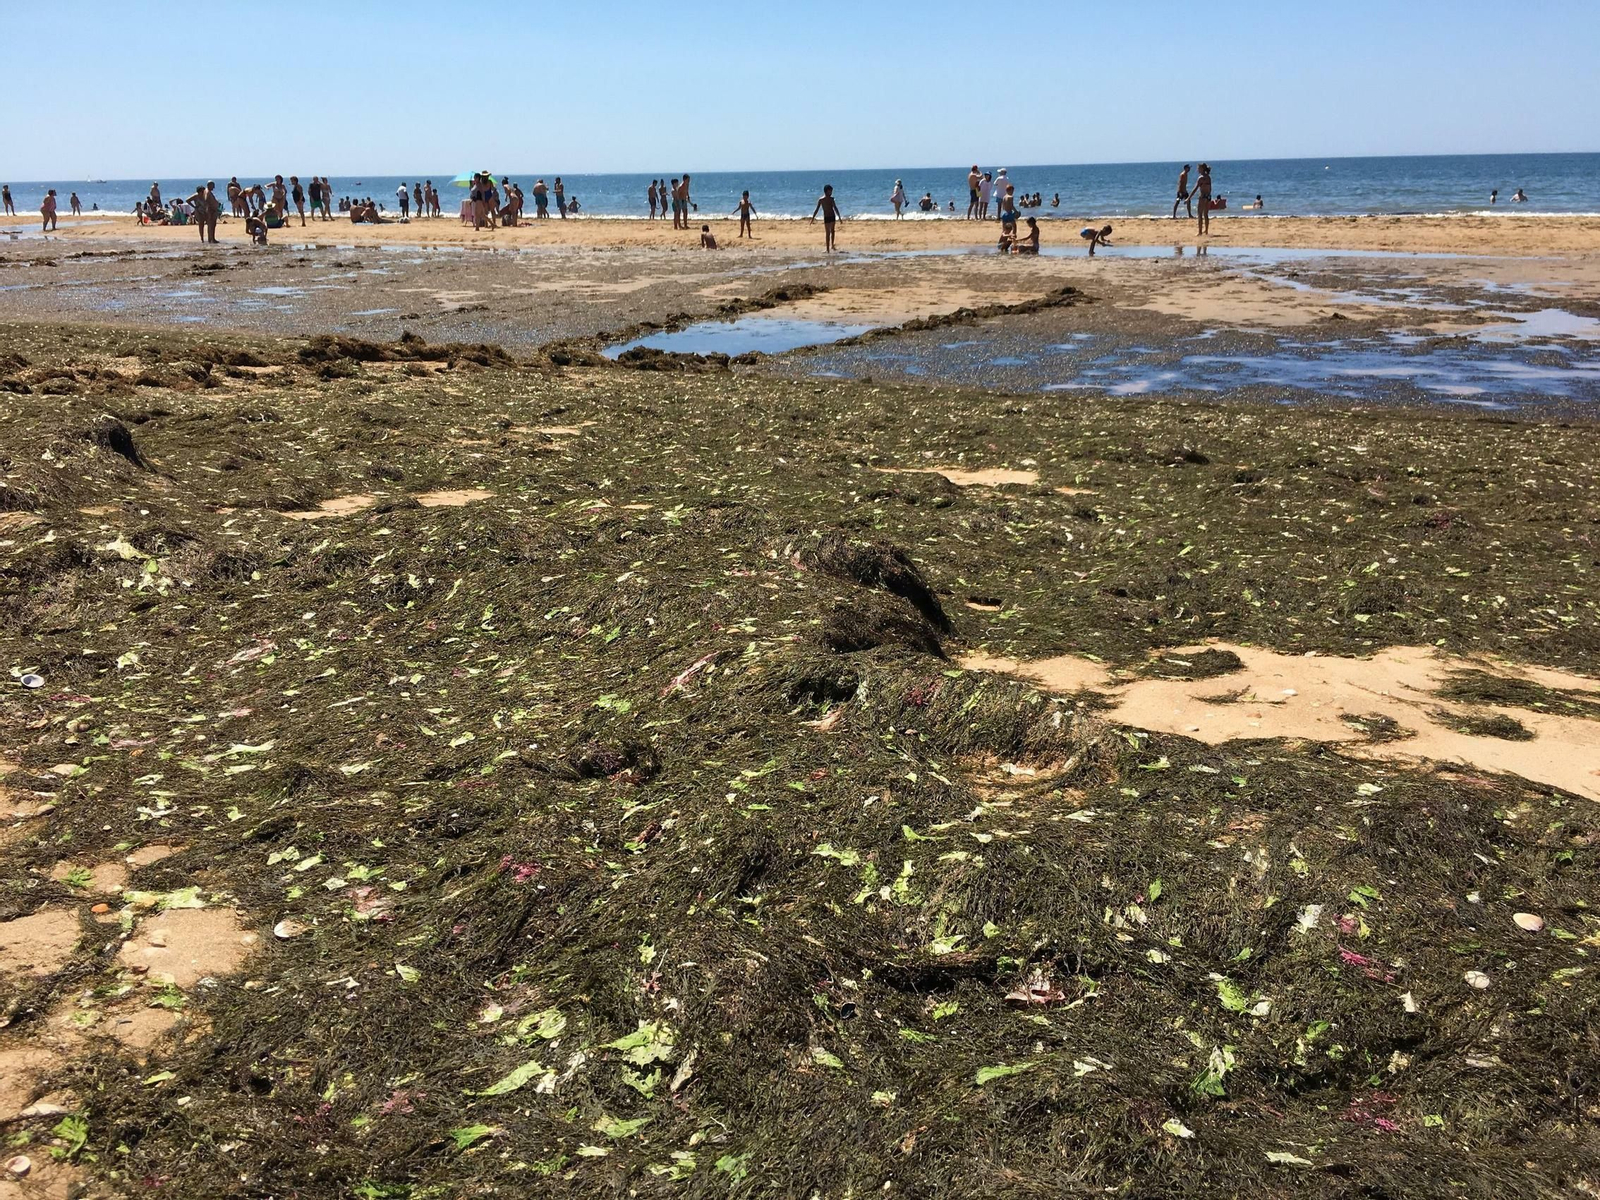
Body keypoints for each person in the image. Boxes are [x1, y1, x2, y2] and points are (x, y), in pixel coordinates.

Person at [811, 183, 843, 251]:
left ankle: (832, 245)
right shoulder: (821, 200)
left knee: (832, 231)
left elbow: (835, 208)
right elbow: (816, 209)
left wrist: (839, 217)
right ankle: (827, 249)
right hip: (826, 217)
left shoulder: (832, 199)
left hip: (832, 216)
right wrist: (812, 218)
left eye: (831, 191)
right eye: (830, 191)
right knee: (827, 233)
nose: (831, 193)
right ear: (826, 191)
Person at [1193, 163, 1213, 235]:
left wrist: (1189, 198)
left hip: (1202, 197)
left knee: (1200, 214)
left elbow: (1195, 189)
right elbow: (1210, 188)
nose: (1197, 170)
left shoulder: (1200, 178)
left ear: (1202, 169)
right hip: (1208, 196)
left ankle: (1200, 232)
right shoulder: (1208, 177)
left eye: (1198, 168)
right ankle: (1206, 231)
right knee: (1206, 214)